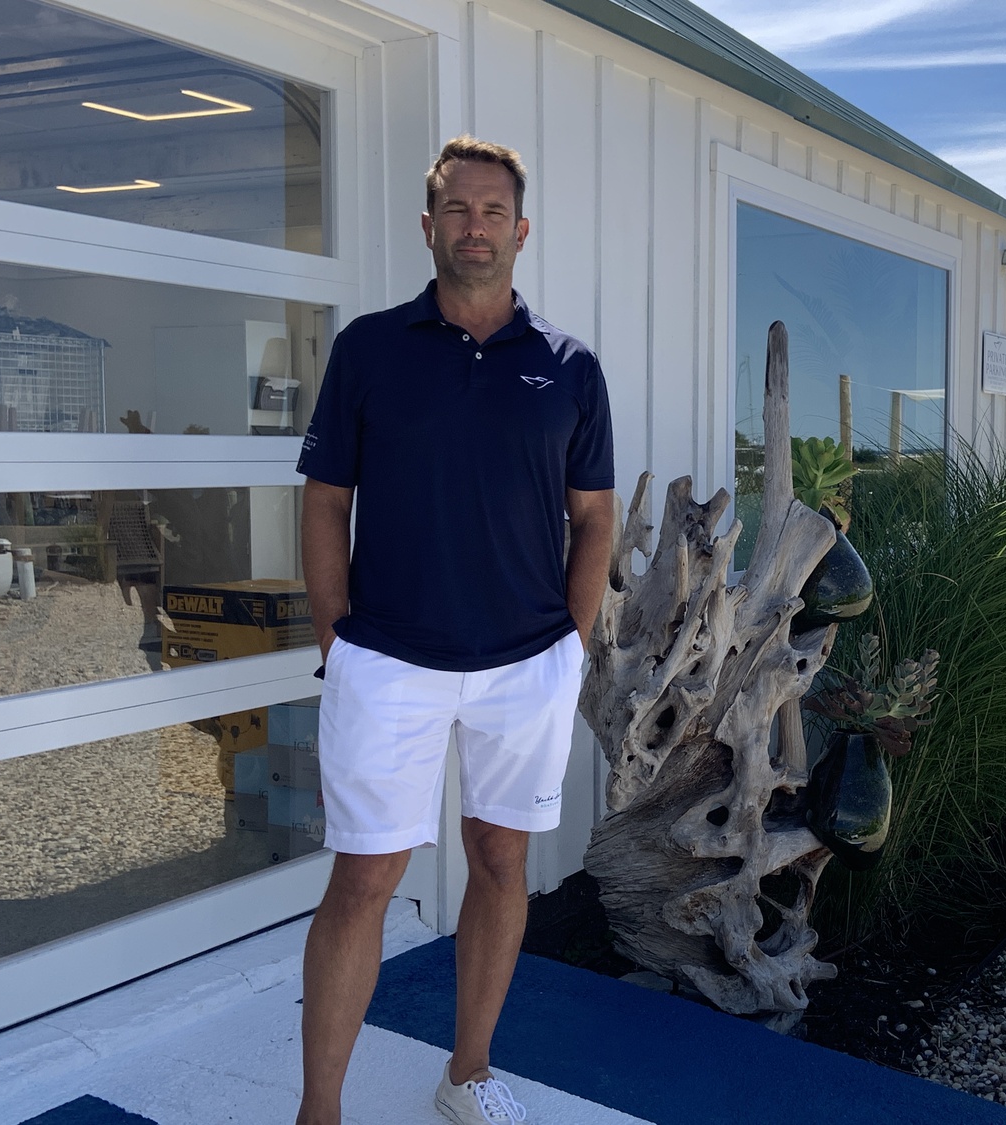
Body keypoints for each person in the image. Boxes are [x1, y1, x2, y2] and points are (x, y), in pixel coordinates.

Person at [293, 136, 616, 1125]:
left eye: (492, 213)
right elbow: (323, 500)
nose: (473, 228)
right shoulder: (369, 350)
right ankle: (320, 1111)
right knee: (364, 880)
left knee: (501, 864)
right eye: (456, 210)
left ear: (520, 232)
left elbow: (594, 514)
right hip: (386, 657)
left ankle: (466, 1074)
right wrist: (334, 631)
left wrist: (574, 634)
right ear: (428, 226)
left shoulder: (569, 368)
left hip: (527, 663)